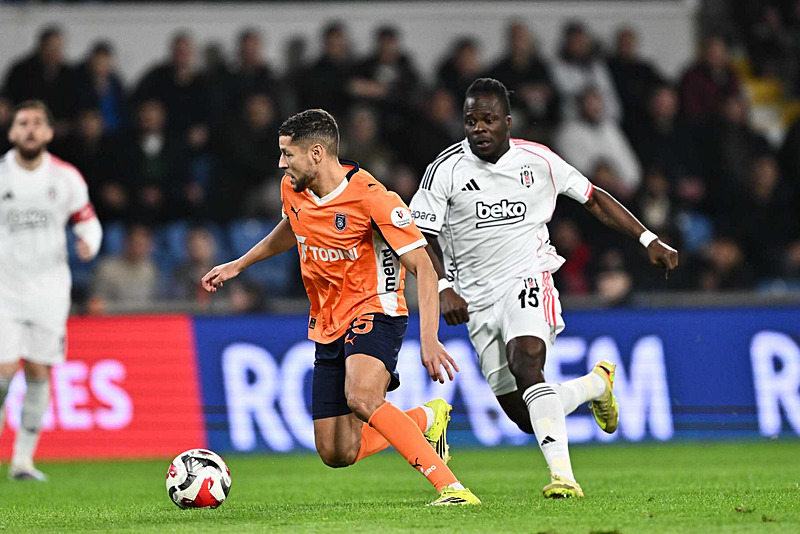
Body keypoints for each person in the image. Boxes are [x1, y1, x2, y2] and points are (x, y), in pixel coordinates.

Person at [409, 79, 678, 498]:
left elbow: (594, 198)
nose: (479, 128)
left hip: (527, 276)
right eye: (471, 121)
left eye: (488, 120)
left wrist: (648, 239)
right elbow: (419, 234)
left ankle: (563, 478)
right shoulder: (445, 169)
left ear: (507, 122)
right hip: (474, 297)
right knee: (523, 414)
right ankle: (596, 385)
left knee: (527, 361)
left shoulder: (539, 161)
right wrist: (444, 285)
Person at [201, 109, 480, 506]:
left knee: (362, 398)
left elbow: (424, 267)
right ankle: (425, 419)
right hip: (327, 320)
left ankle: (452, 488)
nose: (281, 163)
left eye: (287, 154)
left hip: (375, 309)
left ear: (316, 153)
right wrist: (238, 265)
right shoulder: (292, 188)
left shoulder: (374, 199)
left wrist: (429, 338)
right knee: (337, 452)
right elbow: (293, 225)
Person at [0, 100, 103, 480]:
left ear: (49, 132)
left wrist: (89, 242)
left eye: (37, 123)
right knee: (3, 370)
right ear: (12, 132)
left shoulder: (66, 177)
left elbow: (87, 220)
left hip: (49, 289)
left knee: (38, 370)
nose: (30, 129)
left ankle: (22, 461)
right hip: (4, 288)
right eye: (23, 123)